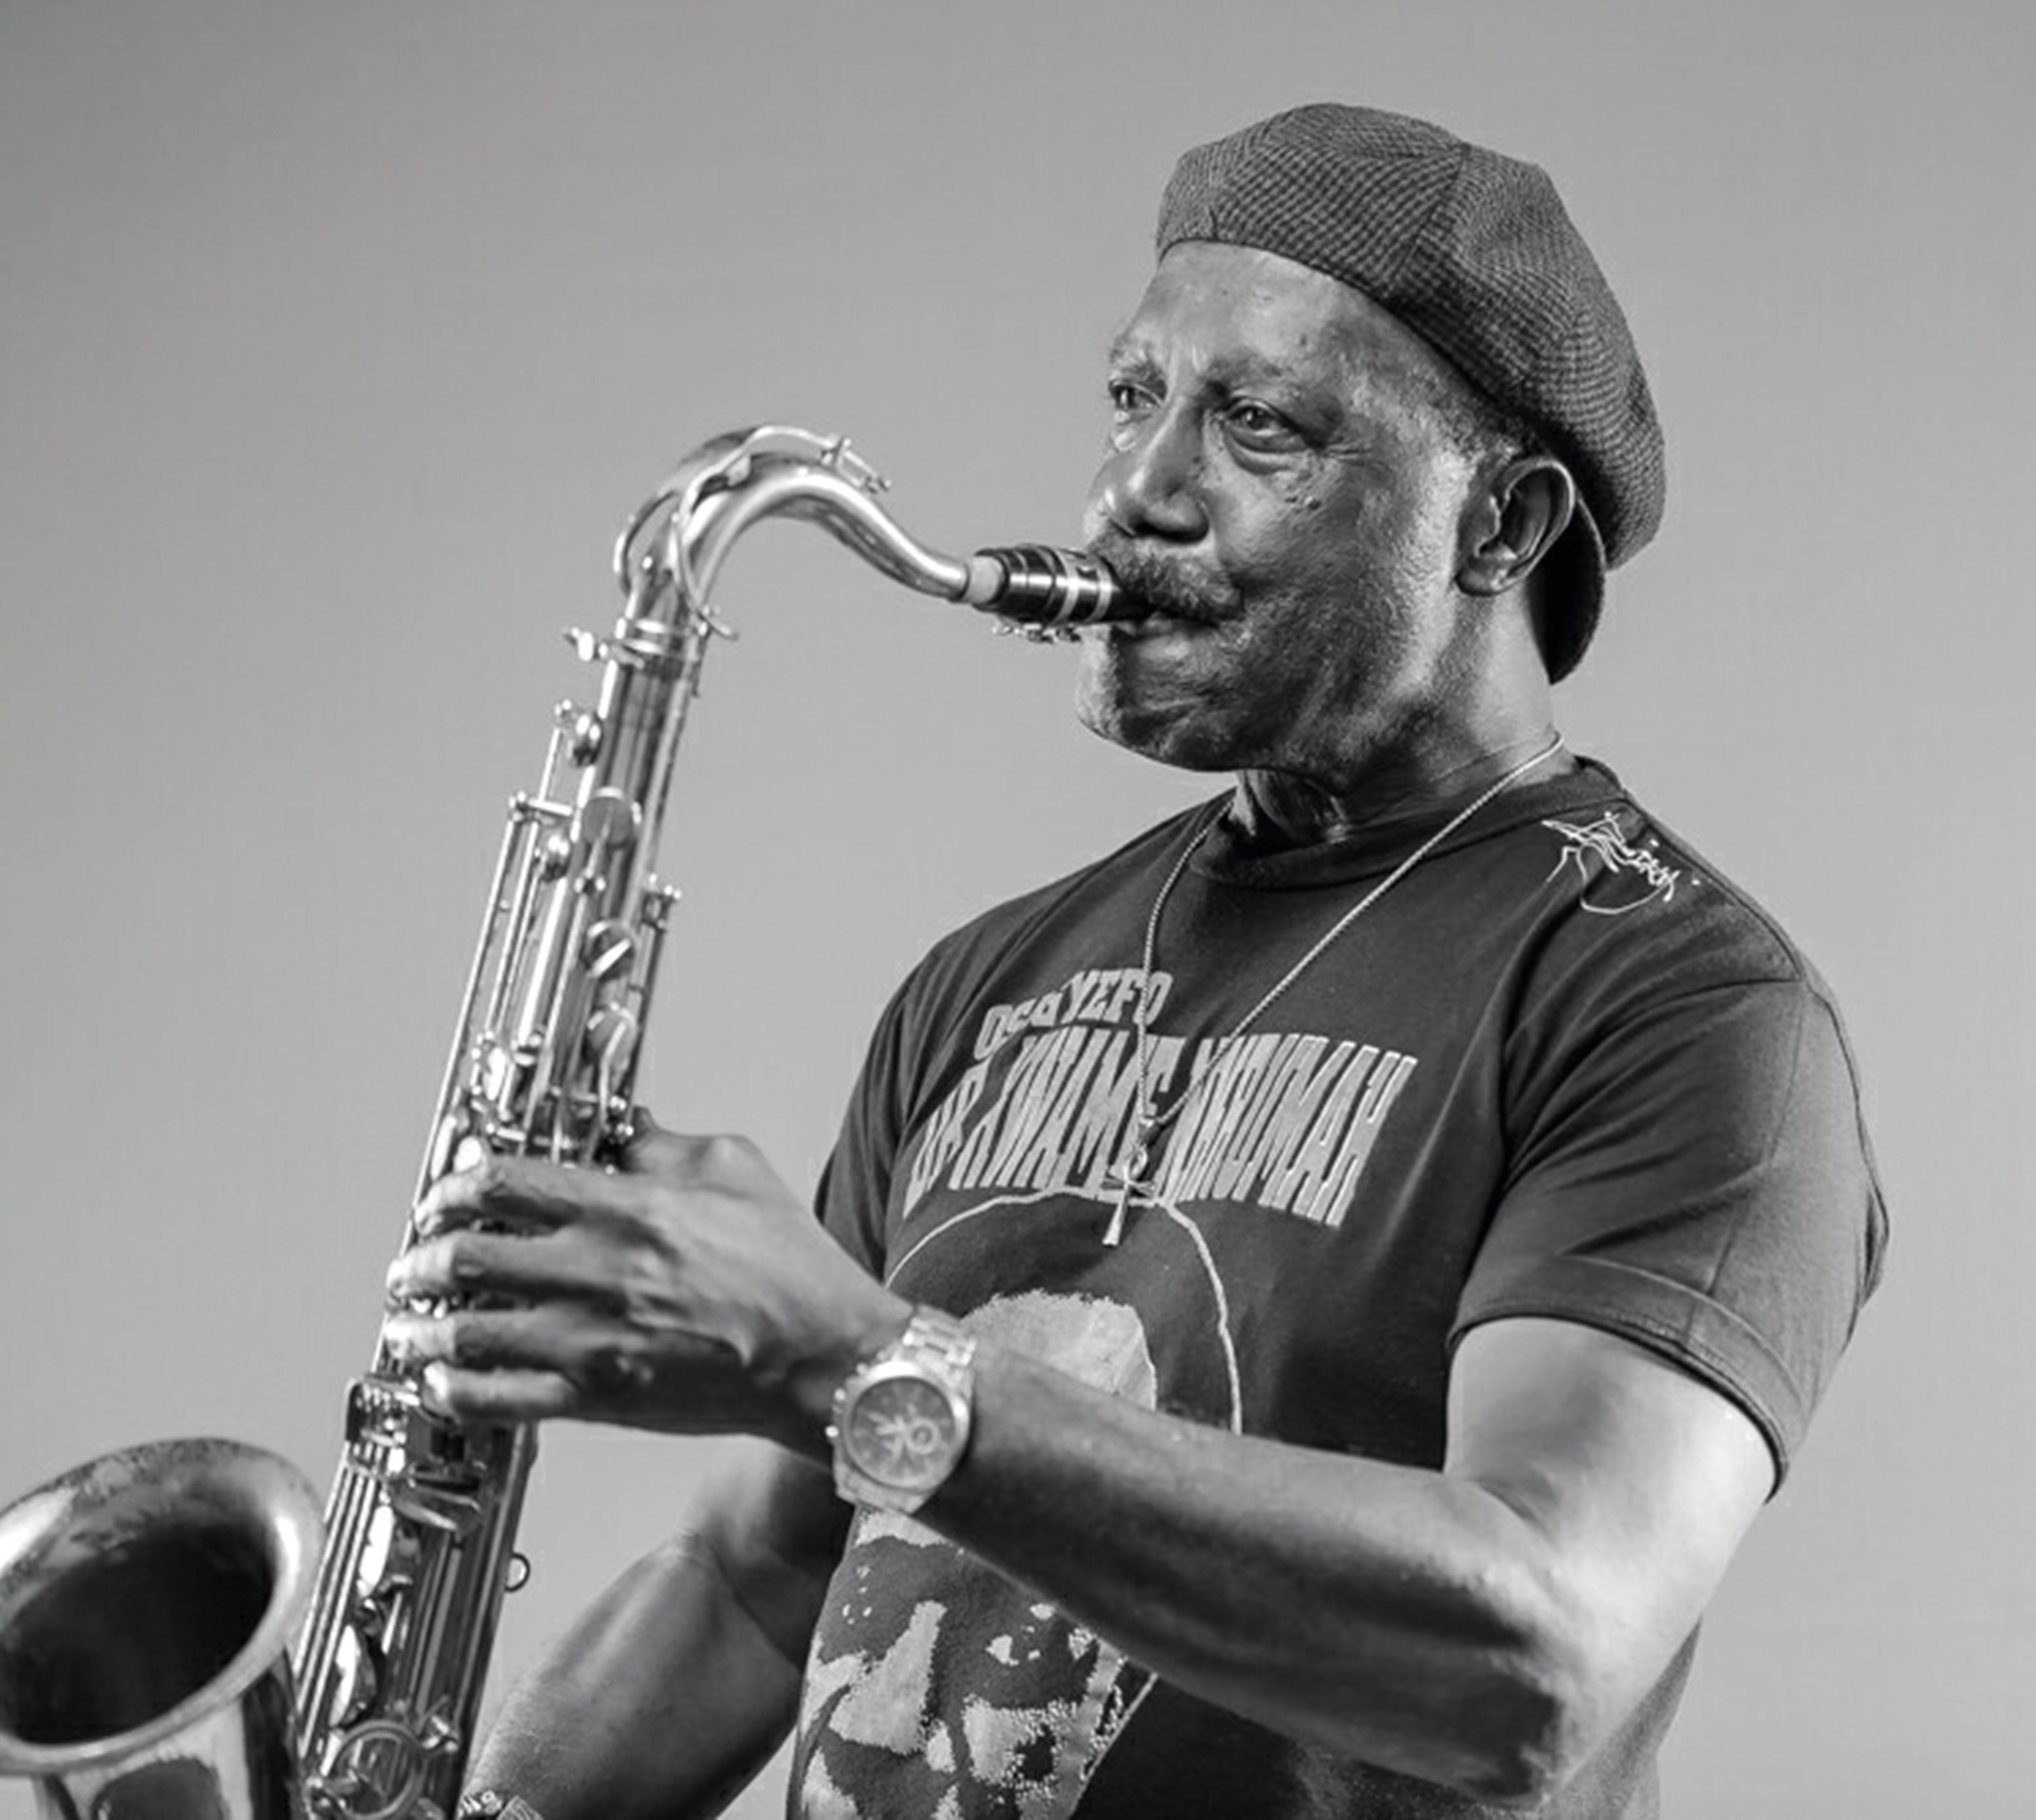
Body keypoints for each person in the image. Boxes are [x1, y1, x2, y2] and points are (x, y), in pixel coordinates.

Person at [386, 104, 1887, 1819]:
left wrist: (848, 1362)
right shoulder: (987, 976)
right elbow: (758, 1573)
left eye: (1256, 424)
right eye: (1130, 398)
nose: (1134, 492)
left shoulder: (1677, 1005)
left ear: (1502, 523)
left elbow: (1531, 1656)